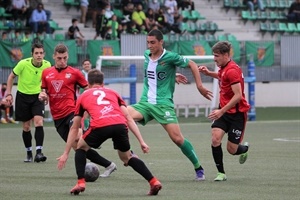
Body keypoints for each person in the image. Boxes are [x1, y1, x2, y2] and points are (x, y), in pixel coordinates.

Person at [56, 69, 162, 196]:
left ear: (88, 84)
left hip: (100, 125)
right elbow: (128, 118)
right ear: (103, 83)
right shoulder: (113, 93)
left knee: (81, 147)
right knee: (127, 157)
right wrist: (141, 141)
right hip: (119, 125)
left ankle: (80, 182)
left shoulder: (83, 96)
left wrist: (66, 153)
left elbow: (74, 128)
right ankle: (153, 181)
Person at [127, 29, 213, 181]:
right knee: (122, 116)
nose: (150, 45)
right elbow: (153, 76)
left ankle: (198, 168)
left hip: (163, 104)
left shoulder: (171, 57)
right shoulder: (147, 55)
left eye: (153, 42)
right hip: (145, 103)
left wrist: (199, 86)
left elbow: (192, 64)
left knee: (178, 139)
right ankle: (130, 153)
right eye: (148, 42)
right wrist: (171, 77)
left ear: (161, 42)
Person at [39, 44, 117, 178]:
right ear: (54, 57)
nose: (62, 61)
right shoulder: (46, 73)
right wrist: (42, 96)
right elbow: (43, 92)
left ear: (68, 56)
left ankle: (92, 138)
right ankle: (109, 165)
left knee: (77, 137)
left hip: (72, 111)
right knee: (80, 147)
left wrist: (90, 106)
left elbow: (89, 89)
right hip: (57, 117)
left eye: (65, 58)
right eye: (59, 58)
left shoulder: (75, 73)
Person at [198, 41, 250, 181]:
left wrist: (220, 111)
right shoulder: (224, 67)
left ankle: (244, 149)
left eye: (216, 56)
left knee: (232, 150)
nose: (214, 59)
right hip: (224, 112)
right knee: (215, 139)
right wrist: (209, 73)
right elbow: (222, 77)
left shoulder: (232, 70)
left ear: (226, 55)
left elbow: (238, 95)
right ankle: (221, 173)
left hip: (237, 114)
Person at [5, 43, 50, 163]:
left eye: (41, 53)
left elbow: (47, 82)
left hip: (37, 97)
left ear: (44, 54)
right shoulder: (23, 64)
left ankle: (39, 153)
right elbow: (11, 77)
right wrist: (9, 93)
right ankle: (29, 153)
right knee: (26, 127)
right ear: (32, 54)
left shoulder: (47, 65)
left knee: (39, 122)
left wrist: (45, 94)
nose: (39, 55)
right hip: (22, 97)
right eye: (36, 53)